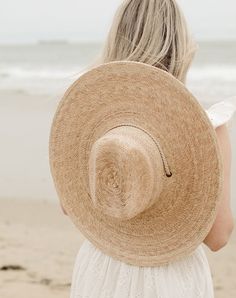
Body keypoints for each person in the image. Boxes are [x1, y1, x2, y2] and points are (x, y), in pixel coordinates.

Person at [59, 0, 235, 297]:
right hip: (169, 276)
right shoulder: (205, 130)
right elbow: (217, 237)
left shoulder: (89, 117)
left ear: (116, 37)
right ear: (180, 45)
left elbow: (70, 205)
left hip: (103, 263)